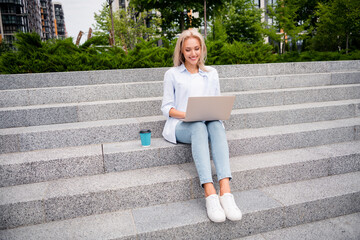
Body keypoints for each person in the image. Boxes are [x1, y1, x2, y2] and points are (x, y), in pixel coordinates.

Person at [161, 29, 242, 223]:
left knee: (215, 124)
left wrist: (214, 114)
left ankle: (226, 191)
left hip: (206, 121)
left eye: (196, 48)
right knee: (197, 125)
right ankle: (210, 193)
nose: (193, 53)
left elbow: (216, 102)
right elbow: (167, 108)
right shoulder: (172, 74)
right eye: (188, 49)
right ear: (181, 51)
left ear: (202, 49)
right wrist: (188, 114)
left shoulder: (211, 73)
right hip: (180, 125)